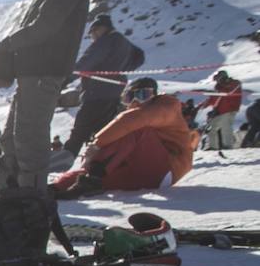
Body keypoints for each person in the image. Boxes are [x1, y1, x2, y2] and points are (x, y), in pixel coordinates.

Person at [0, 0, 95, 197]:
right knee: (11, 139)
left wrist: (7, 44)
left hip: (43, 71)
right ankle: (5, 199)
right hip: (32, 73)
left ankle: (29, 205)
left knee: (28, 140)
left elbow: (45, 27)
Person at [53, 78, 198, 198]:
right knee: (87, 177)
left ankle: (93, 178)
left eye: (143, 95)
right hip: (143, 173)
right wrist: (58, 185)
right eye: (129, 98)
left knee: (134, 130)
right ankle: (57, 188)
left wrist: (96, 145)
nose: (135, 101)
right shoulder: (137, 117)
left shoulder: (166, 107)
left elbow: (135, 119)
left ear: (155, 95)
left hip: (169, 166)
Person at [65, 14, 143, 157]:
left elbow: (87, 61)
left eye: (95, 30)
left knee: (78, 135)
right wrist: (121, 67)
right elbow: (140, 56)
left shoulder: (106, 41)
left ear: (105, 28)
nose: (93, 35)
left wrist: (65, 80)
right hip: (113, 98)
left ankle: (56, 167)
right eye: (91, 33)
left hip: (96, 96)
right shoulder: (122, 41)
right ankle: (99, 169)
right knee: (103, 136)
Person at [198, 69, 243, 155]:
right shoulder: (218, 86)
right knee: (212, 128)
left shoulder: (234, 83)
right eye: (217, 79)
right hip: (220, 111)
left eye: (219, 78)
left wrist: (222, 85)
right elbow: (213, 98)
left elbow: (229, 91)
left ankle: (228, 146)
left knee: (226, 127)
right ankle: (213, 146)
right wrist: (202, 105)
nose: (218, 81)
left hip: (230, 109)